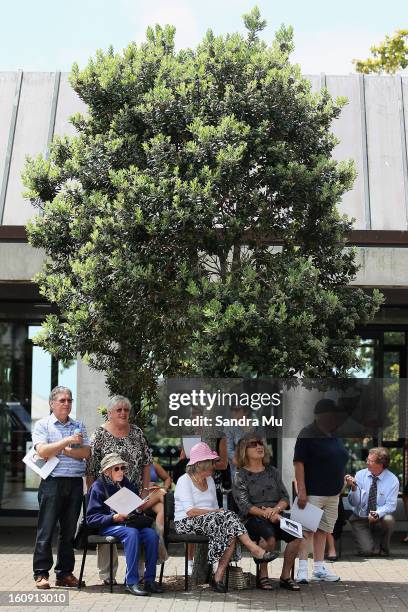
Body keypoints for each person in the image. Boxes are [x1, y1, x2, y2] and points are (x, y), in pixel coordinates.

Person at [174, 442, 277, 592]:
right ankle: (255, 550)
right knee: (229, 519)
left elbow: (216, 507)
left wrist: (217, 513)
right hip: (186, 522)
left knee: (230, 529)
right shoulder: (184, 480)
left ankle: (218, 577)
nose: (214, 465)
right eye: (211, 462)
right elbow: (190, 511)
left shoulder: (209, 480)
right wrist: (216, 513)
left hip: (210, 521)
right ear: (201, 464)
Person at [86, 395, 165, 584]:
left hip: (132, 491)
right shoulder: (99, 434)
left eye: (126, 410)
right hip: (106, 493)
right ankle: (108, 576)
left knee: (138, 529)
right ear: (110, 413)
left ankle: (138, 577)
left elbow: (147, 462)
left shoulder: (137, 432)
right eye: (118, 410)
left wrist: (144, 491)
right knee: (119, 530)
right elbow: (90, 467)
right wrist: (92, 492)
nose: (123, 413)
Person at [32, 386, 90, 590]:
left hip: (74, 483)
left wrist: (63, 450)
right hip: (52, 483)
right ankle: (40, 573)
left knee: (68, 532)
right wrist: (66, 442)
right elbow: (42, 451)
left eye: (69, 400)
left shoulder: (79, 425)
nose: (67, 404)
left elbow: (86, 453)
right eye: (62, 400)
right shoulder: (43, 425)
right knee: (46, 530)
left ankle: (64, 574)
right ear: (52, 403)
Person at [233, 434, 302, 591]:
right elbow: (244, 505)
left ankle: (285, 577)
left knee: (297, 535)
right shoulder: (240, 475)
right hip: (252, 518)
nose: (259, 447)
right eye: (254, 444)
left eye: (261, 444)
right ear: (244, 451)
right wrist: (266, 514)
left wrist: (275, 510)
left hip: (275, 514)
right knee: (268, 537)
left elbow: (285, 497)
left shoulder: (273, 472)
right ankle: (263, 576)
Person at [87, 452, 162, 596]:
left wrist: (139, 507)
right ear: (107, 471)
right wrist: (114, 517)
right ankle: (131, 582)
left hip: (129, 524)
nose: (121, 471)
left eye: (122, 468)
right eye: (117, 469)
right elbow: (92, 519)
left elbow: (134, 507)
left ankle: (149, 580)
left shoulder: (126, 483)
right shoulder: (98, 487)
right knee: (131, 533)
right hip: (108, 526)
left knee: (152, 534)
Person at [293, 399, 348, 583]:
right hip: (312, 493)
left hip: (333, 494)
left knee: (323, 531)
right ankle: (301, 570)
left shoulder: (335, 434)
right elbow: (298, 462)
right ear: (321, 415)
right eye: (332, 414)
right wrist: (301, 490)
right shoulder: (307, 433)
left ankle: (318, 569)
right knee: (306, 531)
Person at [346, 447, 399, 556]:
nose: (367, 462)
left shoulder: (393, 480)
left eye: (370, 461)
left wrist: (378, 513)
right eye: (367, 459)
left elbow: (391, 505)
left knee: (389, 520)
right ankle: (369, 546)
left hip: (380, 518)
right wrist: (354, 488)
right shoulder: (360, 475)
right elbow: (354, 503)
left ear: (381, 464)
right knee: (366, 551)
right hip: (360, 518)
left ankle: (383, 548)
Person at [224, 404, 266, 478]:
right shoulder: (229, 427)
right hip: (239, 468)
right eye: (231, 410)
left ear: (246, 411)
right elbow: (229, 450)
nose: (233, 412)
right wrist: (245, 461)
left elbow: (264, 446)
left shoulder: (257, 426)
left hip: (257, 467)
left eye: (236, 410)